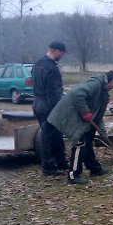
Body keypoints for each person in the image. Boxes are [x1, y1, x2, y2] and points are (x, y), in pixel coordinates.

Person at [47, 71, 113, 185]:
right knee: (79, 144)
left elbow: (98, 116)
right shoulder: (96, 84)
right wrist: (85, 112)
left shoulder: (104, 94)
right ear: (111, 82)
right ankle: (73, 175)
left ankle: (94, 168)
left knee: (88, 141)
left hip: (84, 119)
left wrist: (103, 132)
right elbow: (77, 93)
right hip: (72, 116)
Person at [32, 40, 68, 176]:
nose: (62, 56)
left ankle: (61, 162)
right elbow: (54, 91)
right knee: (48, 136)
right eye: (62, 53)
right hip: (48, 104)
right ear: (57, 51)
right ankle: (48, 166)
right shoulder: (52, 68)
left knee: (55, 133)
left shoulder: (37, 64)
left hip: (37, 103)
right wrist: (58, 108)